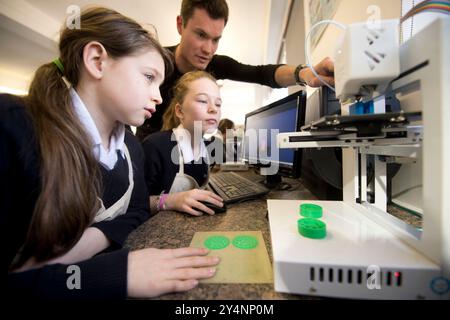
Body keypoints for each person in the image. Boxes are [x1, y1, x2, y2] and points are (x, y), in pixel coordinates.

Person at [1, 7, 219, 299]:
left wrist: (79, 247)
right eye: (148, 77)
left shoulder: (130, 149)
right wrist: (113, 274)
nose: (157, 95)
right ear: (96, 60)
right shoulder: (12, 126)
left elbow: (138, 208)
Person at [135, 0, 335, 140]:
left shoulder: (217, 64)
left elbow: (261, 73)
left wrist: (305, 74)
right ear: (181, 25)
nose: (208, 49)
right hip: (147, 160)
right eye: (200, 35)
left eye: (216, 39)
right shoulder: (156, 62)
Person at [142, 71, 224, 216]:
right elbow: (132, 205)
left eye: (218, 104)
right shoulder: (156, 146)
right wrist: (169, 201)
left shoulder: (207, 146)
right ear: (180, 111)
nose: (213, 109)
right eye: (202, 101)